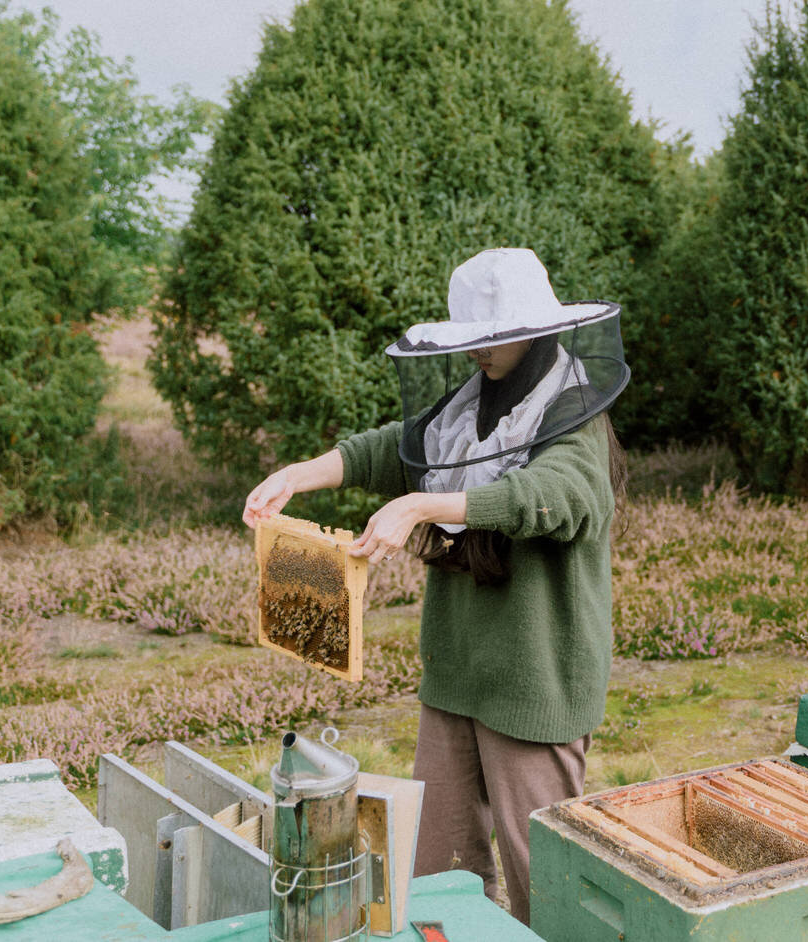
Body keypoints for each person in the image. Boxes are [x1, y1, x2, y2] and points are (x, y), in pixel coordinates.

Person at [243, 247, 627, 924]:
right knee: (439, 874)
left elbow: (554, 496)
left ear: (536, 328)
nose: (479, 353)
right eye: (472, 339)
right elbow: (396, 447)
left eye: (493, 338)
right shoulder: (469, 403)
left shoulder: (574, 412)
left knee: (545, 879)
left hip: (537, 680)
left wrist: (423, 507)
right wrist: (301, 473)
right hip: (455, 674)